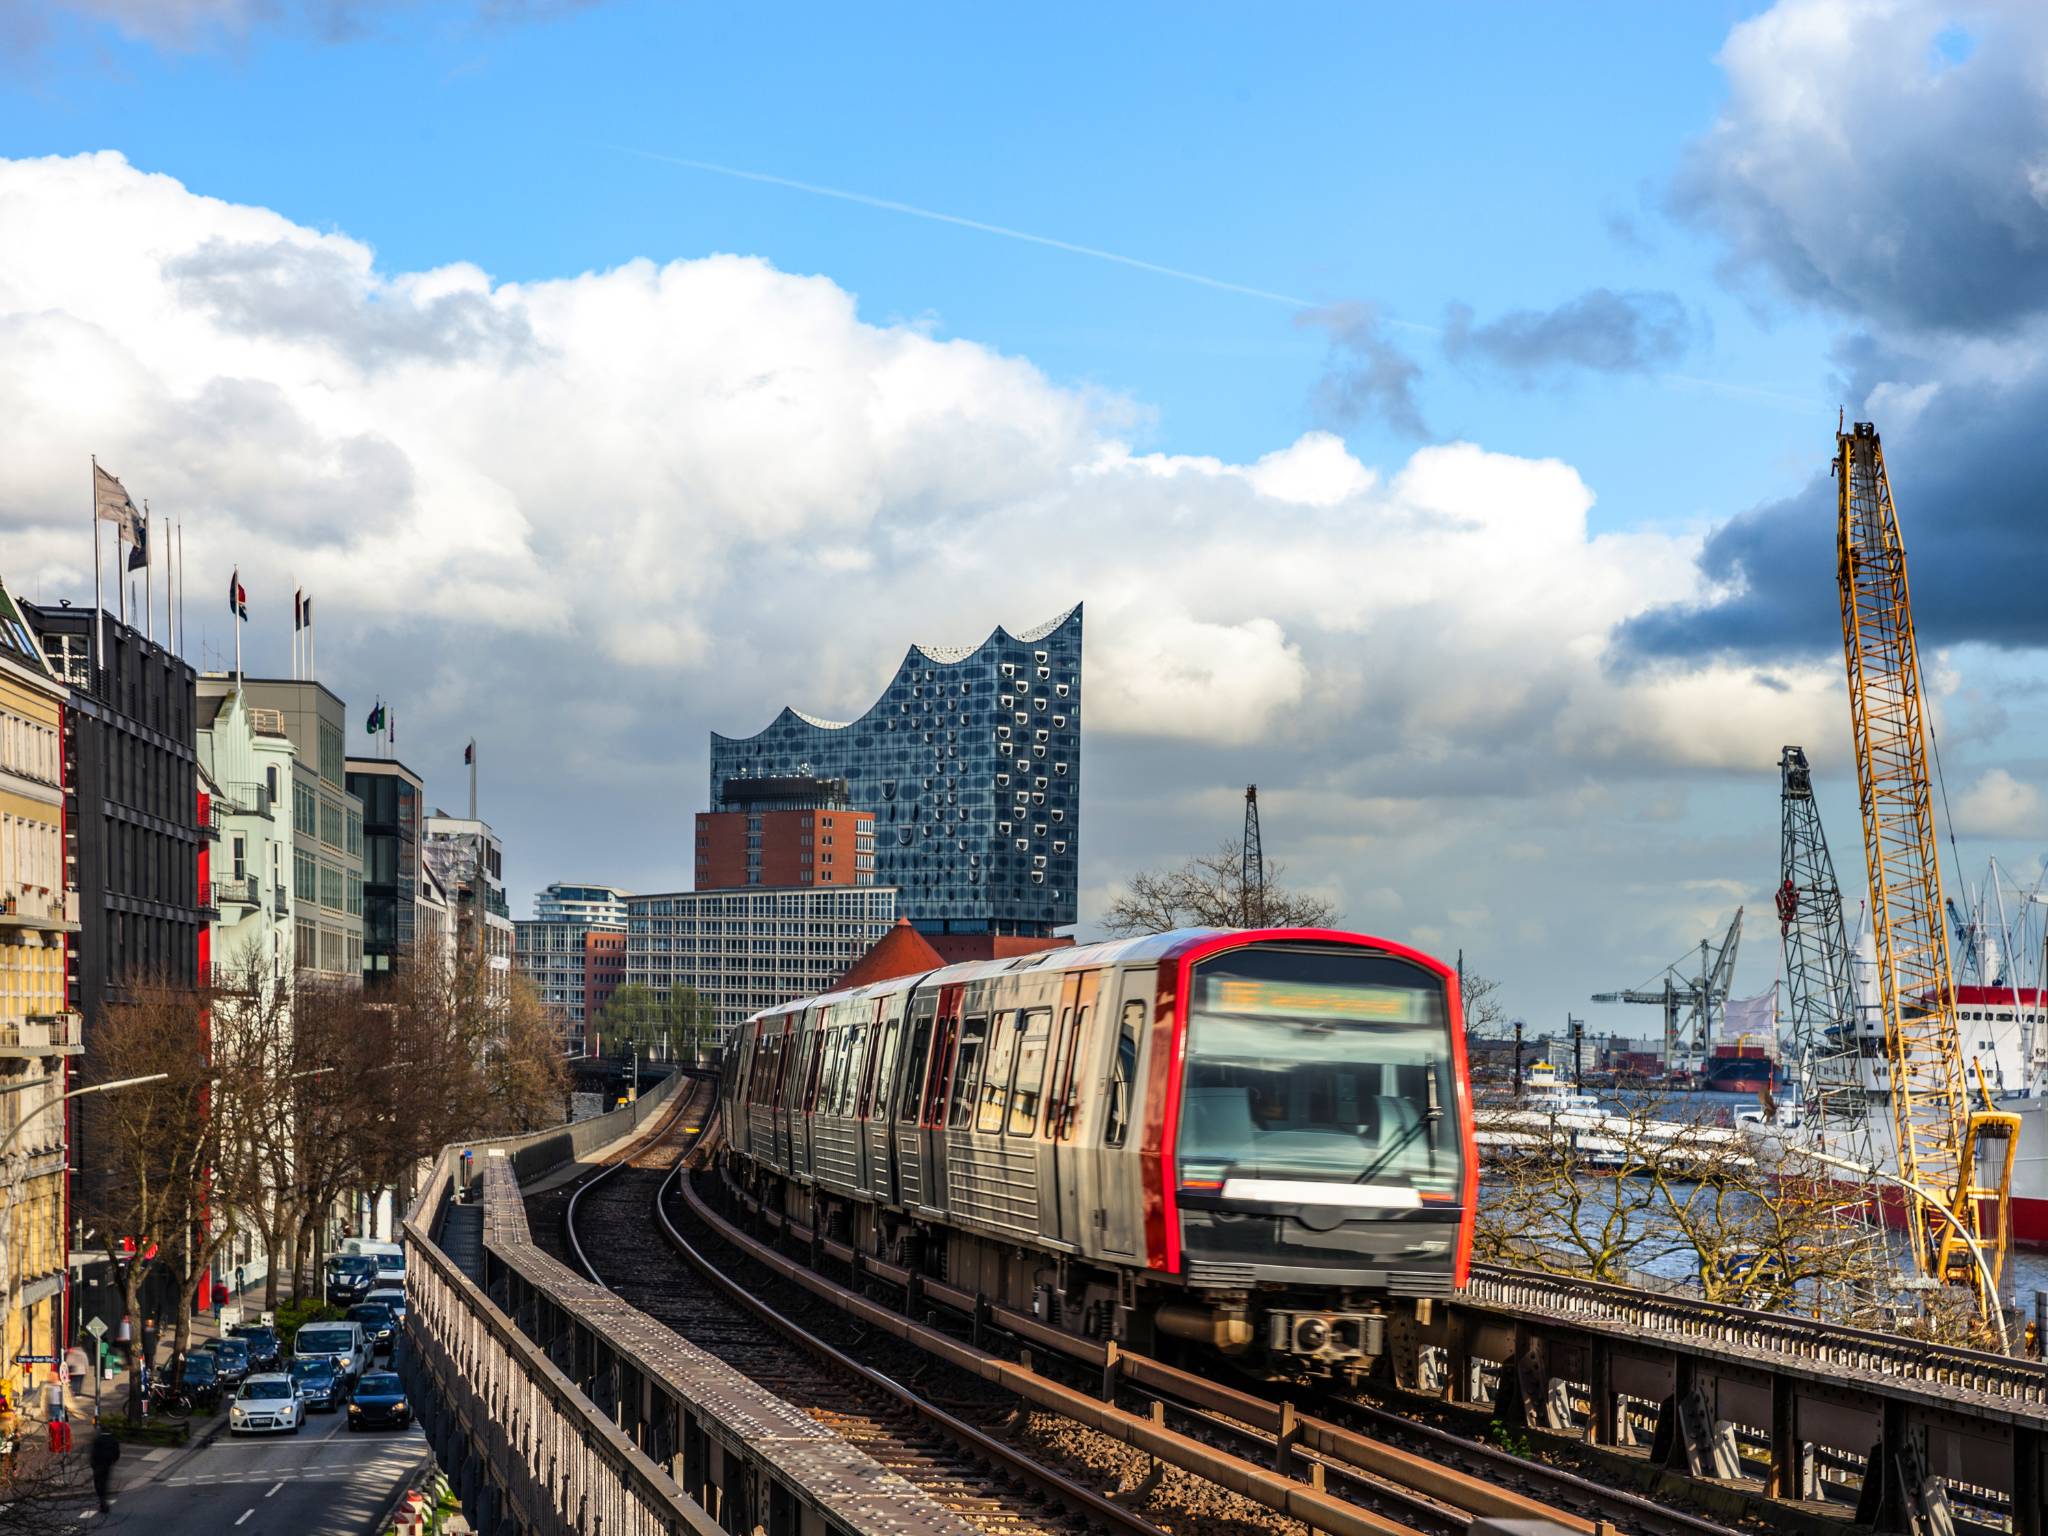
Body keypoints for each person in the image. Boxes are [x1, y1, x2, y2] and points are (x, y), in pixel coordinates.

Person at [90, 1424, 121, 1511]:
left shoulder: (98, 1440)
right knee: (104, 1482)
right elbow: (117, 1453)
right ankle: (103, 1501)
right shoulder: (113, 1440)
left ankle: (102, 1500)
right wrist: (113, 1461)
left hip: (98, 1464)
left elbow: (94, 1453)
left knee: (98, 1483)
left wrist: (92, 1463)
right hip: (107, 1464)